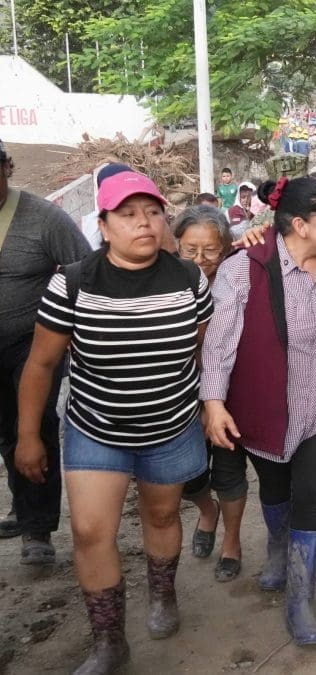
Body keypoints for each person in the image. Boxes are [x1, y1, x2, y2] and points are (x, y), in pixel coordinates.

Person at [17, 170, 212, 672]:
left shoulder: (190, 279)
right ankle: (108, 641)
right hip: (94, 428)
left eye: (151, 212)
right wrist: (26, 435)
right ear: (103, 225)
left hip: (170, 427)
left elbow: (203, 350)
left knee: (163, 517)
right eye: (127, 215)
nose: (143, 223)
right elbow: (40, 364)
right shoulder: (75, 282)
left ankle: (163, 594)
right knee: (88, 531)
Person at [201, 176, 316, 646]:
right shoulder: (244, 269)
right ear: (299, 223)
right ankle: (277, 548)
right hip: (267, 407)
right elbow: (220, 344)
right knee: (274, 488)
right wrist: (213, 404)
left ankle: (300, 597)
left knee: (311, 495)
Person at [0, 138, 92, 559]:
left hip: (32, 344)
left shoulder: (44, 218)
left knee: (32, 424)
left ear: (8, 168)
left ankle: (37, 531)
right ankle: (24, 508)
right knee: (7, 431)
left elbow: (88, 270)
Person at [174, 205, 248, 583]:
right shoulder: (166, 278)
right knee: (186, 475)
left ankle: (232, 541)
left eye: (211, 251)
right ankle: (207, 510)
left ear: (226, 248)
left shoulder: (242, 272)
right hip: (179, 396)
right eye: (190, 250)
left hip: (231, 393)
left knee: (230, 471)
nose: (201, 260)